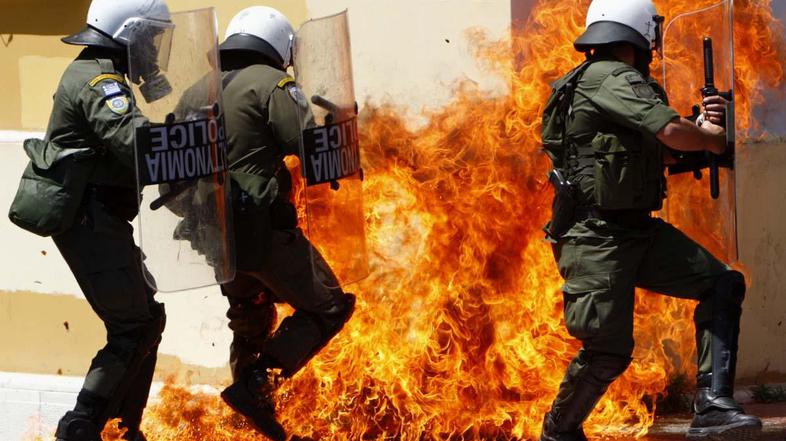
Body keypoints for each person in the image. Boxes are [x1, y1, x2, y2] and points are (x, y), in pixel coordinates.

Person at [539, 1, 761, 440]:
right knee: (608, 351)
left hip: (633, 230)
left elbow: (661, 150)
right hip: (597, 237)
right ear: (640, 31)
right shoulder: (610, 75)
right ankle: (559, 431)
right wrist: (712, 138)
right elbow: (671, 133)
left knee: (720, 284)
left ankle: (713, 406)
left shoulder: (602, 81)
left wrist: (697, 127)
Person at [215, 7, 356, 440]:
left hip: (214, 234)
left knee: (250, 312)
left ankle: (247, 416)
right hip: (260, 229)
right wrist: (338, 127)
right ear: (282, 48)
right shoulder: (272, 84)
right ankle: (258, 386)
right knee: (330, 304)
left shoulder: (199, 89)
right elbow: (308, 147)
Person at [41, 1, 170, 439]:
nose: (152, 50)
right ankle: (83, 425)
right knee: (135, 325)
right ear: (128, 33)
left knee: (145, 320)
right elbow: (135, 142)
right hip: (90, 221)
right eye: (150, 38)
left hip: (99, 221)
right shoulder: (99, 80)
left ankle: (120, 426)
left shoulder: (102, 71)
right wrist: (189, 143)